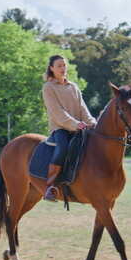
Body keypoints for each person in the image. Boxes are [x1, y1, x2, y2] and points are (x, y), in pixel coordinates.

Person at [42, 55, 97, 202]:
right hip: (60, 129)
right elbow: (57, 112)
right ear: (51, 68)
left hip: (79, 128)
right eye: (59, 65)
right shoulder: (48, 88)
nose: (62, 68)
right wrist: (75, 124)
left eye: (64, 65)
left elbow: (82, 109)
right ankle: (50, 186)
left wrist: (92, 122)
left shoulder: (73, 86)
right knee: (63, 148)